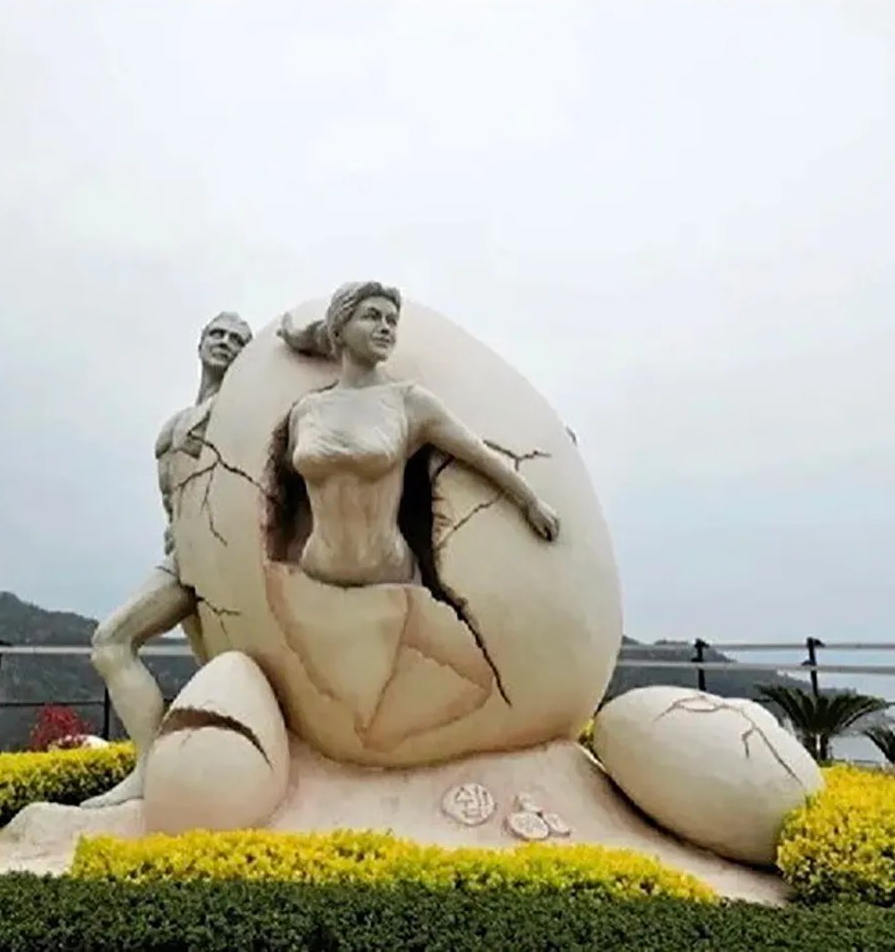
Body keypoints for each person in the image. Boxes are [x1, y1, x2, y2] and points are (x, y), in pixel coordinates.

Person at [277, 281, 558, 589]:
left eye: (391, 320)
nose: (385, 328)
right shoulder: (306, 410)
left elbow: (478, 454)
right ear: (339, 330)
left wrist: (530, 502)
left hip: (389, 580)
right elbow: (289, 485)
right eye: (372, 316)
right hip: (315, 575)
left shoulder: (409, 403)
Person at [83, 311, 252, 808]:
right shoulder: (176, 422)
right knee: (130, 648)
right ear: (199, 342)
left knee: (114, 641)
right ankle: (157, 770)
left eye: (237, 340)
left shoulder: (244, 409)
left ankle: (155, 771)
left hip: (221, 555)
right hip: (182, 554)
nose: (225, 342)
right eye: (217, 334)